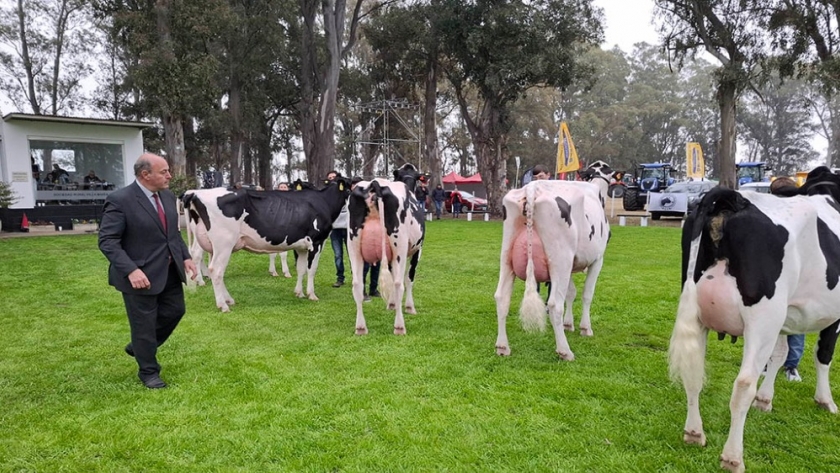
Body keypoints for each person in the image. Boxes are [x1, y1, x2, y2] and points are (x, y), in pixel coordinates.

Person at [98, 153, 197, 389]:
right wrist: (131, 270)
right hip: (139, 276)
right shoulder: (120, 200)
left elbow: (172, 233)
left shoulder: (167, 196)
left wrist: (186, 257)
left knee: (175, 311)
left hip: (169, 271)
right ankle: (149, 372)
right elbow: (108, 240)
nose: (169, 175)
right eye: (164, 172)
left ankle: (139, 347)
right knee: (143, 324)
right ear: (145, 174)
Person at [769, 176, 804, 381]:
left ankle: (787, 365)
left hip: (785, 277)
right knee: (793, 323)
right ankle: (789, 366)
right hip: (784, 277)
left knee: (782, 322)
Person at [327, 170, 347, 287]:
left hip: (348, 228)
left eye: (334, 177)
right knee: (338, 255)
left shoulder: (346, 192)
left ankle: (356, 277)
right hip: (335, 229)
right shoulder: (327, 195)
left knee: (352, 255)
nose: (332, 179)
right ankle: (340, 278)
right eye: (330, 178)